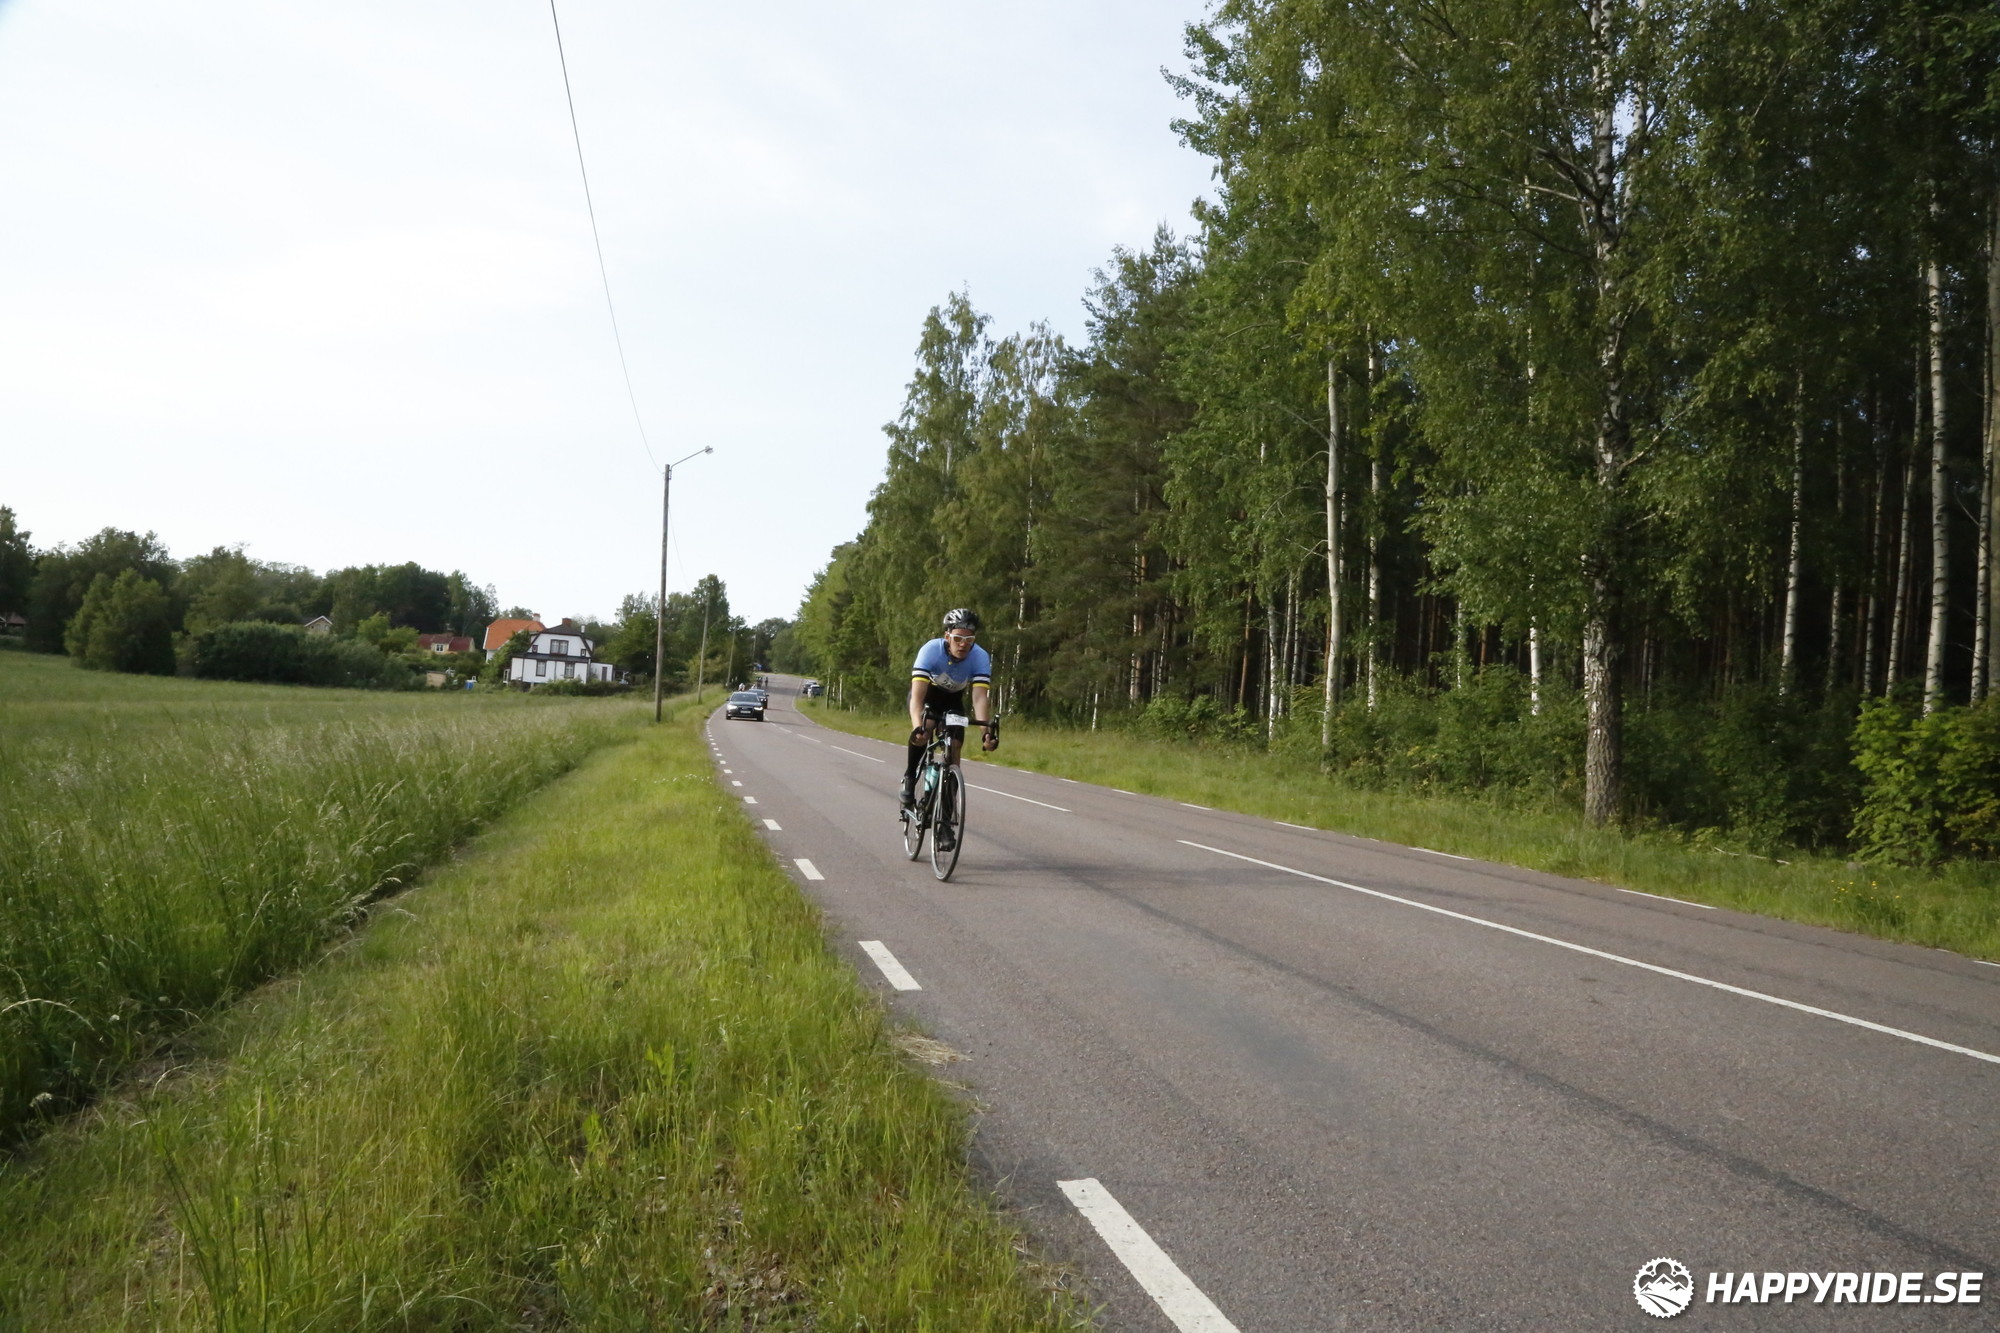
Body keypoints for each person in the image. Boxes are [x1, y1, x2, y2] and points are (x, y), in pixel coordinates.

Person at [901, 609, 999, 827]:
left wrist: (986, 733)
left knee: (954, 748)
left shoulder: (980, 656)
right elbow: (916, 698)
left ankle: (945, 822)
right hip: (928, 696)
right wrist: (918, 728)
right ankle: (910, 778)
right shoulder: (931, 651)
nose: (963, 644)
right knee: (925, 728)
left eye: (969, 639)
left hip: (953, 701)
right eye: (957, 638)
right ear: (947, 636)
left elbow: (979, 698)